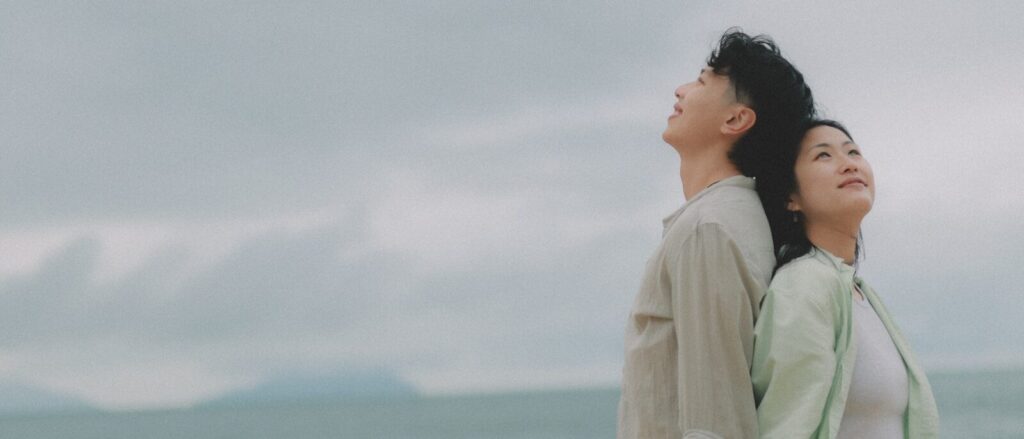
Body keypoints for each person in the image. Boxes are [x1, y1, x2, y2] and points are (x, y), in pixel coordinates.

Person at [617, 29, 814, 439]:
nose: (681, 90)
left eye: (702, 81)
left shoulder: (708, 228)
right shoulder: (729, 219)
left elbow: (716, 418)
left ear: (736, 119)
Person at [751, 120, 940, 438]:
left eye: (853, 151)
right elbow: (787, 426)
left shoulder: (858, 292)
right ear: (790, 197)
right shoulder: (803, 285)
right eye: (823, 156)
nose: (848, 163)